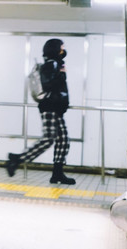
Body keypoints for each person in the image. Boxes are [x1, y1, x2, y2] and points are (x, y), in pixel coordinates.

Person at [5, 38, 76, 185]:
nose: (63, 50)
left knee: (63, 141)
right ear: (55, 49)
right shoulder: (51, 64)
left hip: (56, 108)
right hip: (50, 107)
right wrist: (61, 75)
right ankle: (17, 159)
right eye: (61, 47)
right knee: (49, 138)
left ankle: (57, 173)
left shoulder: (56, 63)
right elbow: (48, 85)